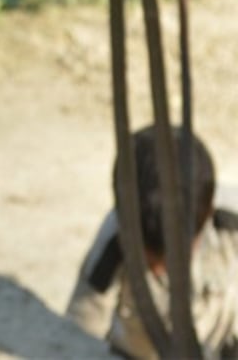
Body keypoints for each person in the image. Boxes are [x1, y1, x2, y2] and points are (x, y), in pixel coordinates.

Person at [66, 125, 238, 358]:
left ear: (207, 215)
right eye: (149, 261)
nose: (158, 269)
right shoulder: (114, 240)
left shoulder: (229, 219)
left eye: (170, 259)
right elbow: (81, 326)